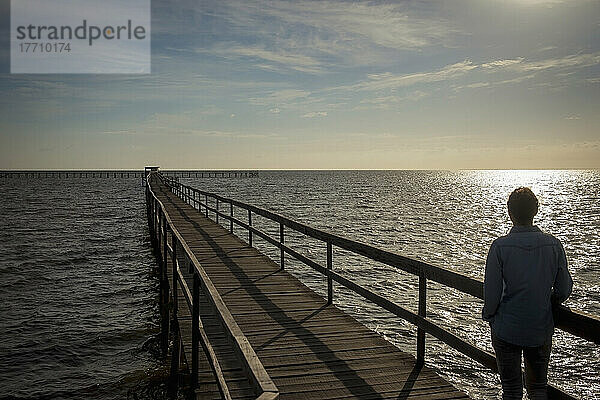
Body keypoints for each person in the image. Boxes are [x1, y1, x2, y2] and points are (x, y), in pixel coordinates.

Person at [482, 187, 573, 400]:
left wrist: (489, 316)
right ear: (536, 211)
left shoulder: (500, 247)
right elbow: (564, 288)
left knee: (512, 390)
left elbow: (492, 294)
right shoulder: (553, 245)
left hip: (507, 329)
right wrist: (550, 299)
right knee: (539, 389)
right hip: (539, 327)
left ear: (509, 212)